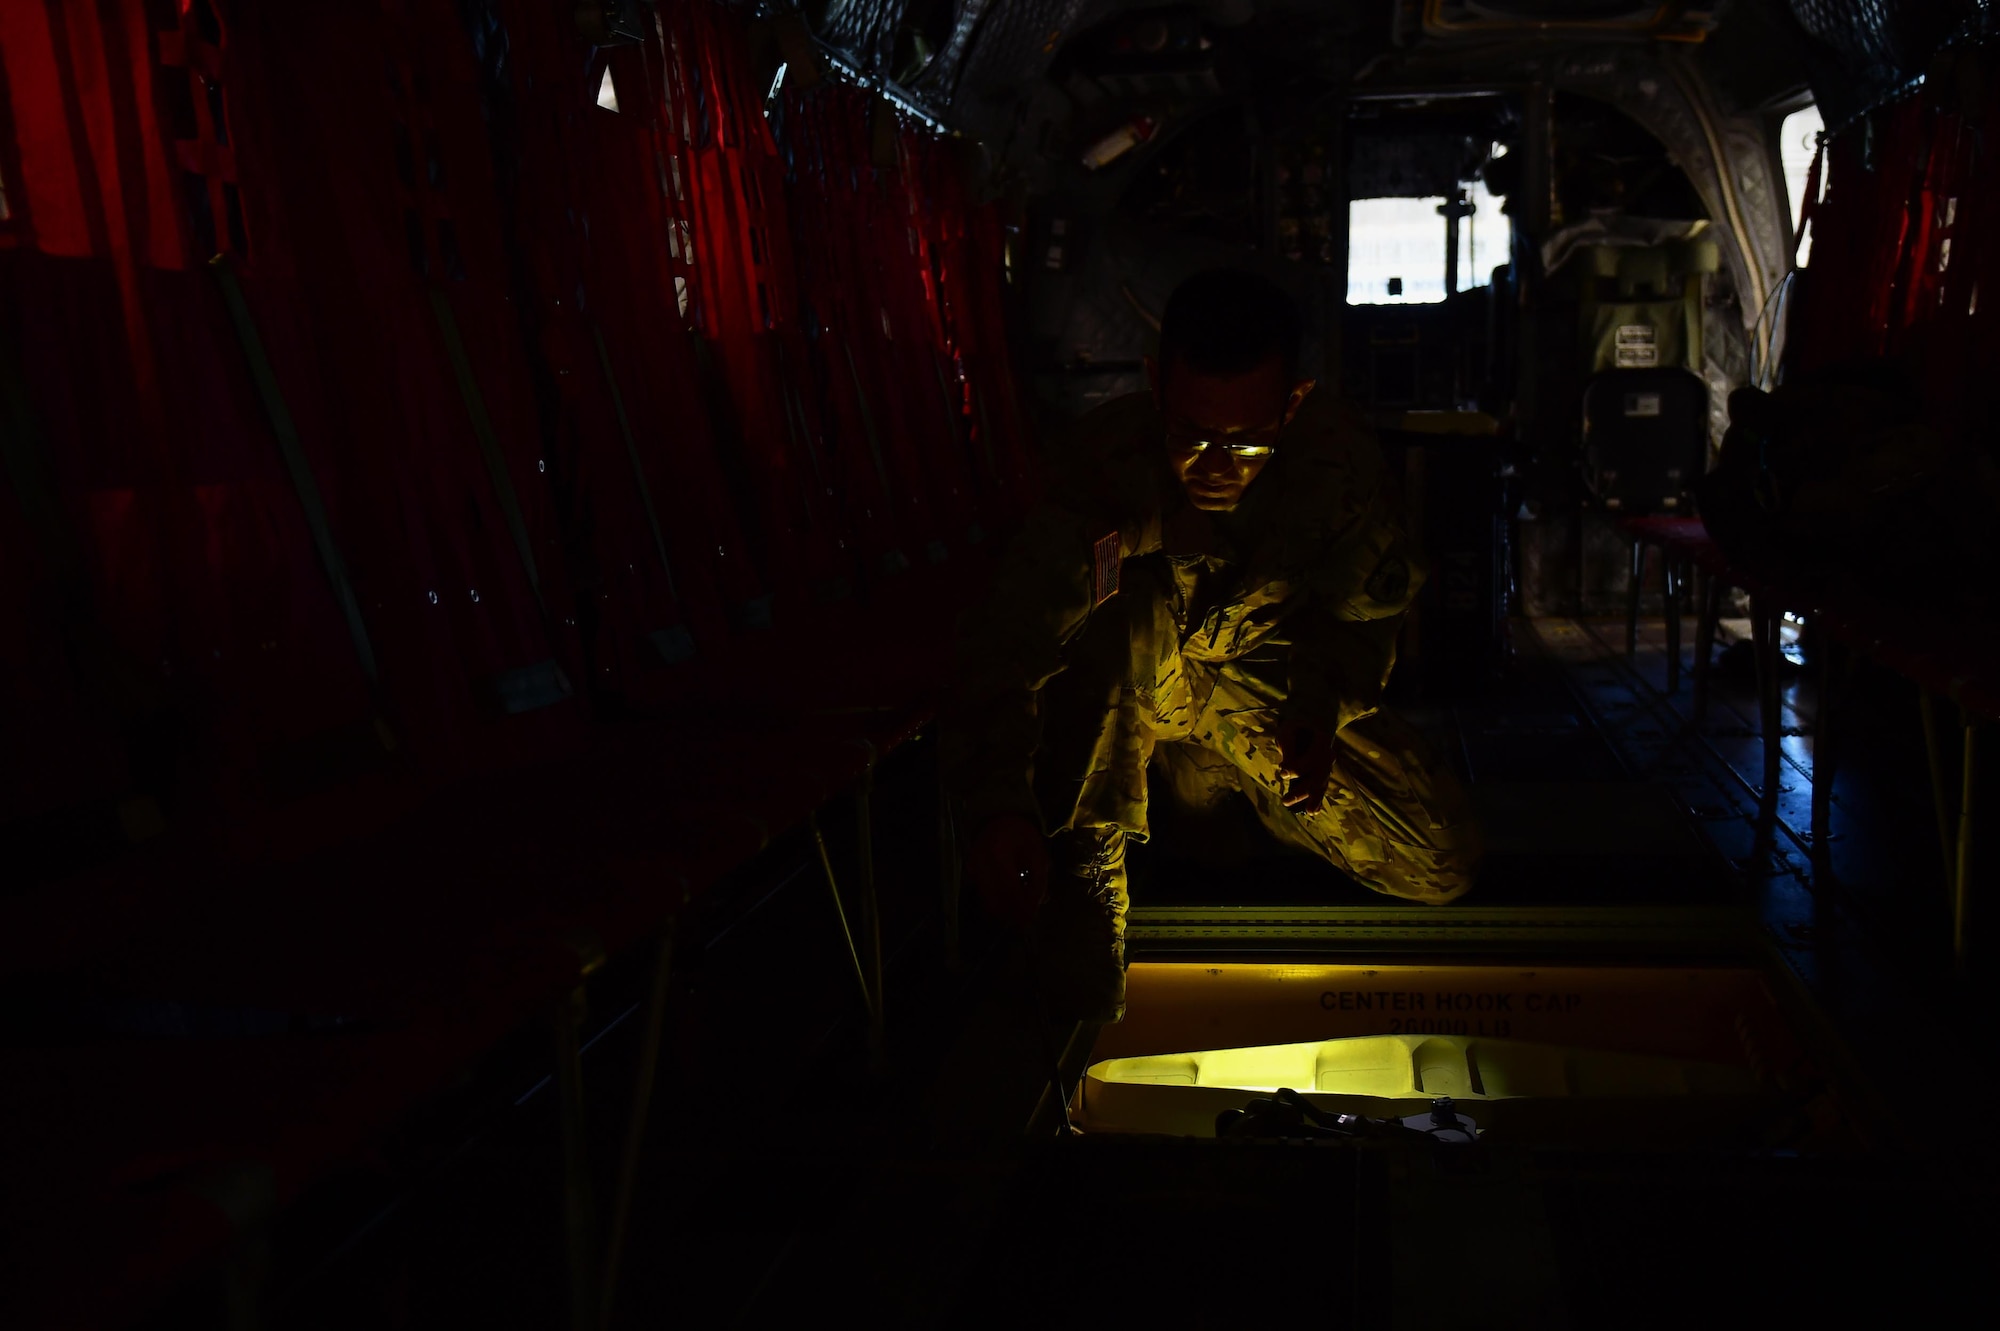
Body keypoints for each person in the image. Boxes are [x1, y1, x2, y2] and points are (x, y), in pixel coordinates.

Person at [942, 269, 1481, 1023]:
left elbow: (1361, 619)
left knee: (1438, 860)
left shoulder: (1339, 471)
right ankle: (1094, 849)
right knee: (1120, 603)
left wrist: (1318, 710)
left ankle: (1239, 808)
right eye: (1192, 439)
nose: (1218, 466)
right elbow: (1013, 632)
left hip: (1259, 696)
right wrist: (997, 799)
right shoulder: (1107, 469)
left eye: (1247, 443)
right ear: (1155, 385)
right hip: (1136, 698)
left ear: (1293, 404)